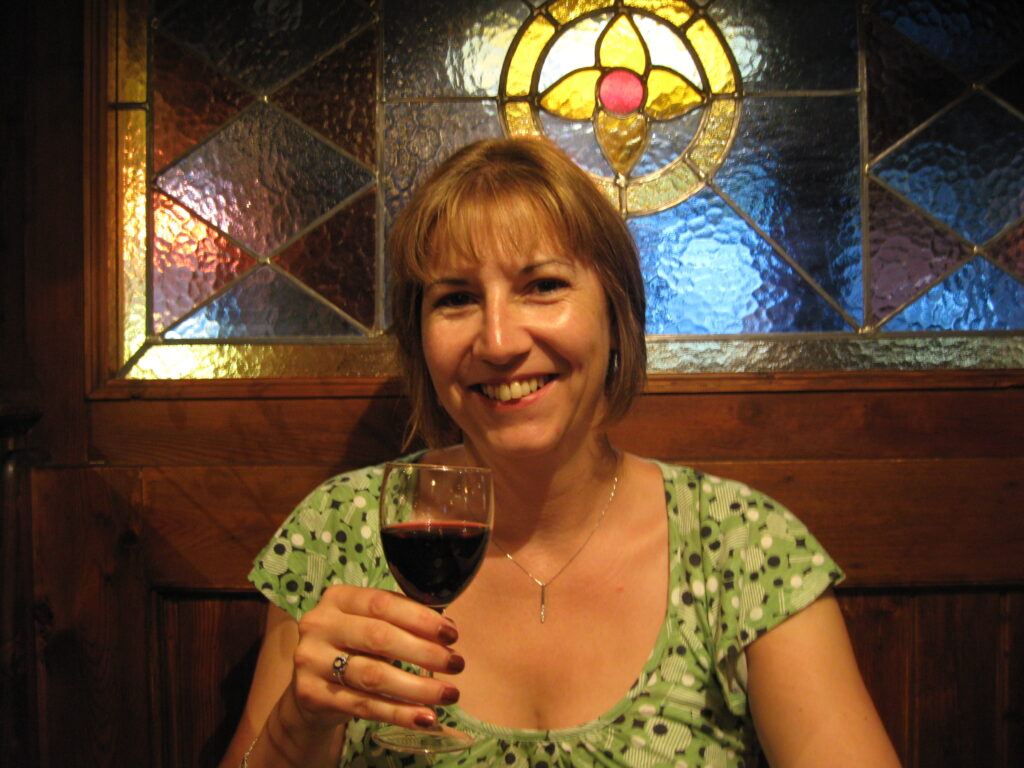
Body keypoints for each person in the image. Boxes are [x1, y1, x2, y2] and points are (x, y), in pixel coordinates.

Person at [219, 137, 901, 767]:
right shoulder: (339, 531)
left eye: (542, 286)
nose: (498, 341)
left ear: (616, 315)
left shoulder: (740, 545)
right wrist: (299, 725)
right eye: (456, 298)